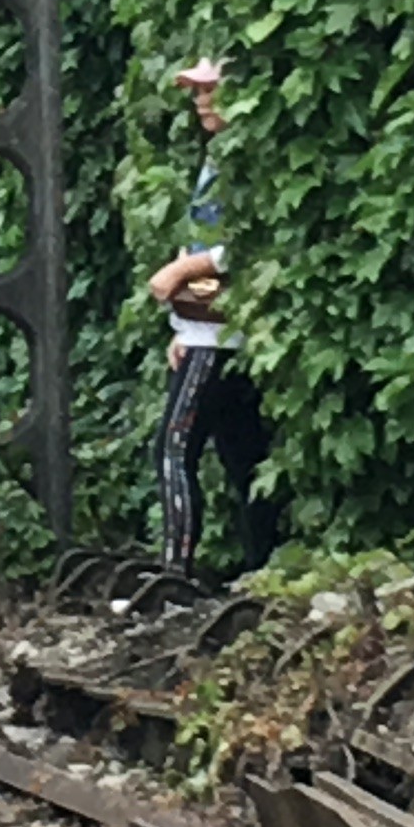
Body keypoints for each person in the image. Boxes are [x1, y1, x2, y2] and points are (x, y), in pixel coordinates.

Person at [143, 56, 274, 578]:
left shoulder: (245, 161)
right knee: (245, 457)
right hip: (214, 333)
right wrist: (180, 327)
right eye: (197, 92)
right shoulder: (221, 157)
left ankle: (176, 572)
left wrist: (182, 270)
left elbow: (249, 245)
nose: (201, 100)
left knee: (173, 451)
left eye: (212, 90)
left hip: (219, 337)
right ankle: (261, 568)